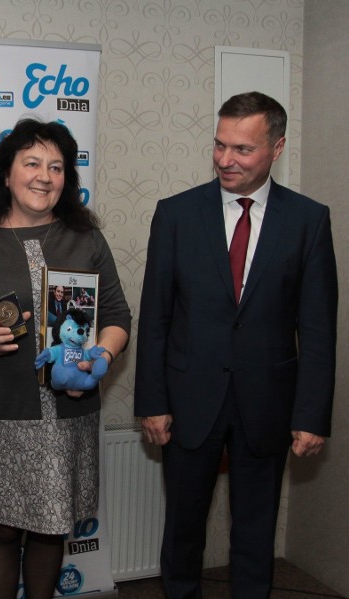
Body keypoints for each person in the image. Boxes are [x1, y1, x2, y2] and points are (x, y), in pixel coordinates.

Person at [135, 91, 337, 598]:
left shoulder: (308, 221)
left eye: (242, 149)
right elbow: (156, 316)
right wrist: (152, 401)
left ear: (277, 147)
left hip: (267, 403)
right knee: (183, 531)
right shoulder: (176, 214)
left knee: (255, 532)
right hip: (188, 400)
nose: (226, 159)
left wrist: (312, 413)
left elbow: (316, 327)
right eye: (219, 145)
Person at [0, 119, 131, 599]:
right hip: (3, 412)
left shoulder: (86, 239)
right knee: (3, 528)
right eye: (32, 163)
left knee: (52, 527)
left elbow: (116, 315)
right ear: (6, 173)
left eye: (56, 166)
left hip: (71, 410)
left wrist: (103, 354)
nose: (44, 176)